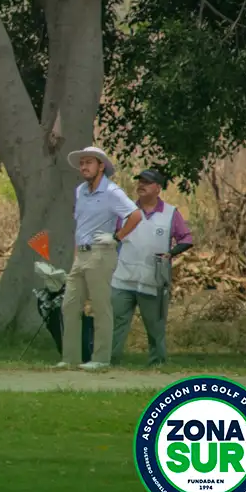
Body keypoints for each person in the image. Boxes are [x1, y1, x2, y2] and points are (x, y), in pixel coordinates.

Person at [59, 146, 143, 371]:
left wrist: (116, 237)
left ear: (101, 166)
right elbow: (81, 225)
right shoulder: (80, 191)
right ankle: (70, 358)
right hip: (82, 254)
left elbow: (136, 215)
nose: (84, 167)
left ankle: (101, 358)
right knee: (69, 305)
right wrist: (76, 254)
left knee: (100, 306)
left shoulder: (112, 192)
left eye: (89, 162)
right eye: (82, 163)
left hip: (101, 252)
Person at [110, 169, 194, 367]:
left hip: (153, 279)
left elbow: (186, 238)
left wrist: (170, 254)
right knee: (115, 323)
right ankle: (109, 361)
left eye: (147, 182)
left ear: (158, 188)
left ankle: (157, 364)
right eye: (140, 181)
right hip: (123, 277)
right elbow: (114, 236)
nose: (141, 185)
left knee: (155, 325)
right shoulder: (125, 211)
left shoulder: (170, 213)